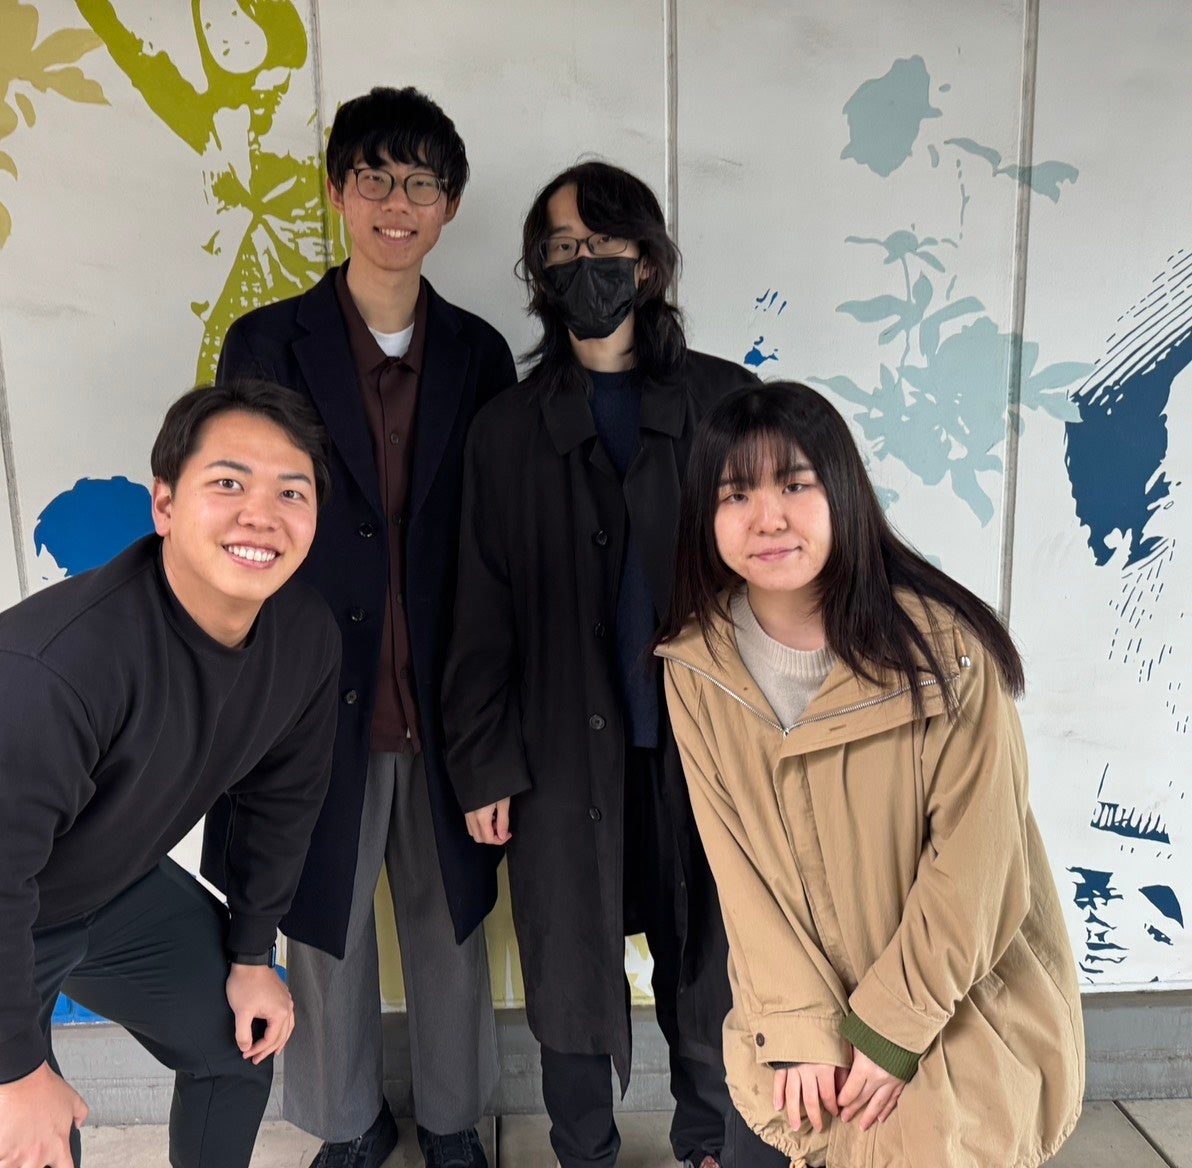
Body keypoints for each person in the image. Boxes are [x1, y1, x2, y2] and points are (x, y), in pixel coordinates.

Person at [0, 381, 340, 1168]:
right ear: (165, 504)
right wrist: (16, 1071)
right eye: (229, 483)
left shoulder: (304, 637)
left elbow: (284, 802)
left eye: (291, 492)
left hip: (97, 884)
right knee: (33, 1148)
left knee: (238, 1040)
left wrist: (251, 954)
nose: (260, 515)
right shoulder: (56, 664)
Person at [443, 160, 781, 1168]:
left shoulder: (726, 401)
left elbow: (779, 574)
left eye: (602, 245)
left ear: (649, 262)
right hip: (555, 749)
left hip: (709, 743)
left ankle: (712, 1141)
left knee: (713, 955)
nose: (580, 264)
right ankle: (582, 1149)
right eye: (560, 247)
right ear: (538, 270)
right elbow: (478, 608)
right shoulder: (506, 428)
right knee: (568, 961)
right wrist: (483, 763)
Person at [655, 381, 1085, 1167]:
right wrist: (799, 1026)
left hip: (946, 1013)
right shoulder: (697, 667)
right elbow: (737, 871)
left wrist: (888, 1030)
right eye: (736, 494)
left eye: (795, 485)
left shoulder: (945, 653)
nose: (768, 518)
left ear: (844, 494)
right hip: (788, 1029)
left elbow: (978, 868)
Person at [204, 86, 516, 1168]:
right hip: (309, 690)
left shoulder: (478, 355)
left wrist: (495, 722)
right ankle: (346, 1123)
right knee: (322, 922)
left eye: (420, 183)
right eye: (374, 177)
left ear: (449, 206)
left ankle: (452, 1121)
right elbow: (240, 520)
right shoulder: (267, 342)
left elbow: (492, 541)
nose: (396, 202)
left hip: (442, 688)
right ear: (338, 192)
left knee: (450, 920)